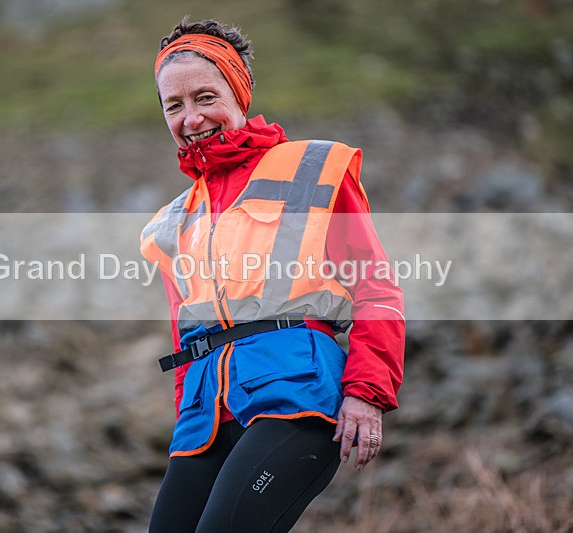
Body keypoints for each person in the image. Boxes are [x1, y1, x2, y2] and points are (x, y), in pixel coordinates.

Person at [140, 18, 405, 532]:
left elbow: (376, 290)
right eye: (175, 106)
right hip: (206, 418)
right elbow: (184, 330)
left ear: (238, 92)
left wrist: (366, 393)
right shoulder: (171, 222)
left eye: (205, 97)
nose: (192, 118)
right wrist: (184, 419)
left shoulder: (314, 168)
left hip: (299, 398)